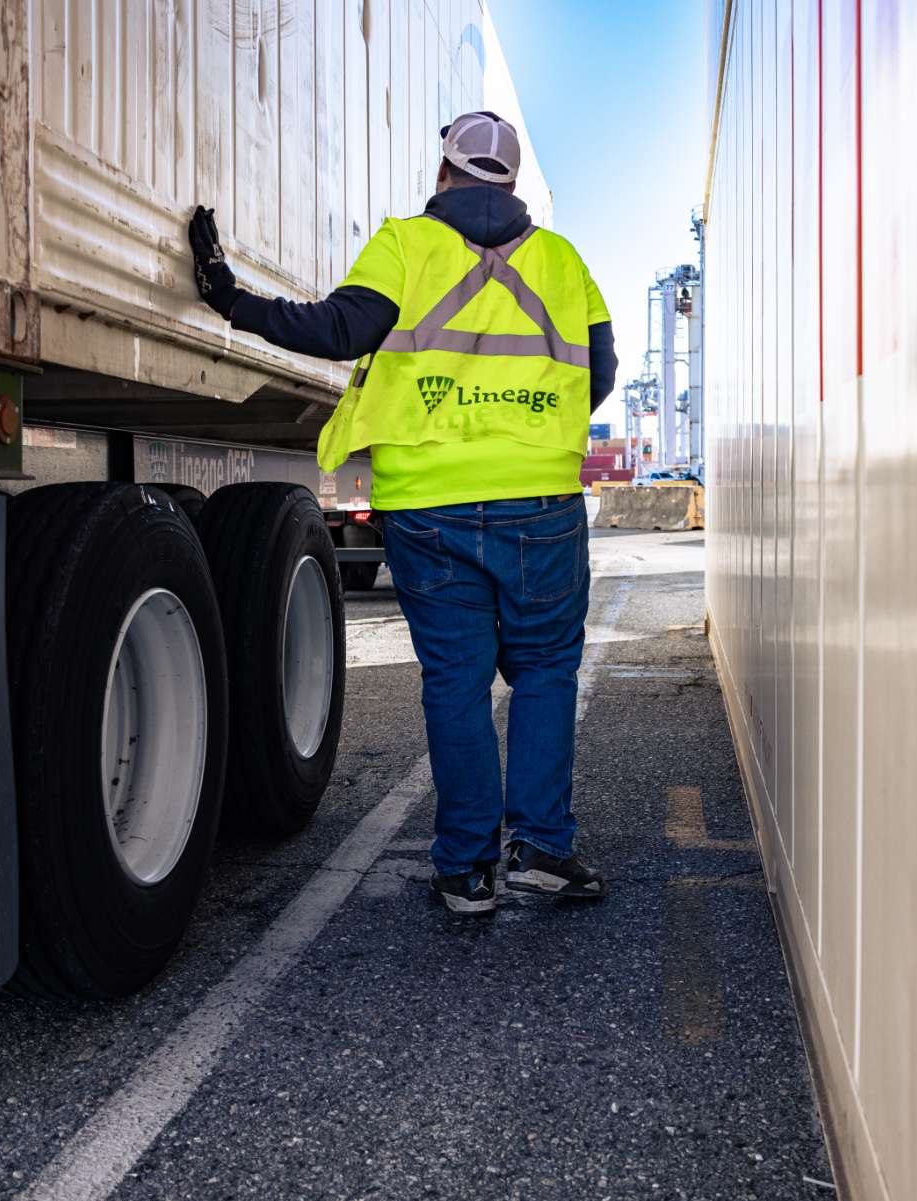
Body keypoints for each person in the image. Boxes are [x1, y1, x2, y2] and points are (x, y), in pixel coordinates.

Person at [187, 111, 617, 914]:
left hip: (428, 506)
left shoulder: (405, 244)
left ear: (447, 172)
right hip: (541, 505)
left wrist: (232, 300)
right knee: (546, 674)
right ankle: (543, 852)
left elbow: (337, 329)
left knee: (455, 684)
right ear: (512, 182)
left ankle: (464, 872)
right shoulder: (563, 261)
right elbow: (600, 372)